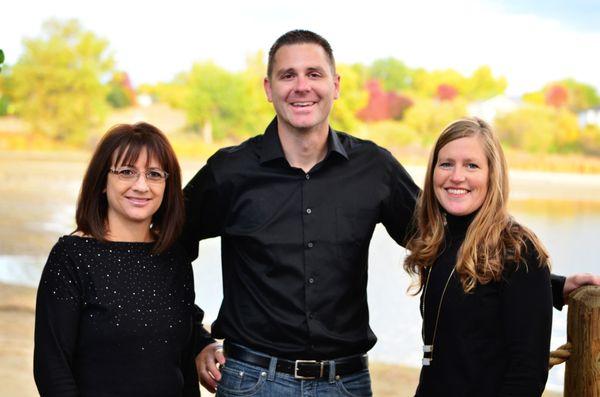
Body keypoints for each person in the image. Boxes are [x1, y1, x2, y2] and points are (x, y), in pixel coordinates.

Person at [184, 30, 599, 396]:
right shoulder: (230, 172)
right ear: (268, 88)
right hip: (254, 380)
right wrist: (196, 339)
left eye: (314, 74)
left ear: (335, 85)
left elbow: (441, 240)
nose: (301, 87)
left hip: (344, 383)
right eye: (287, 75)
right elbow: (164, 242)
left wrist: (547, 284)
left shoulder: (373, 168)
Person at [34, 123, 202, 397]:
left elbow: (182, 364)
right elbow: (52, 368)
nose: (141, 186)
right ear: (102, 182)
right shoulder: (72, 257)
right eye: (126, 172)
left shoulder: (174, 258)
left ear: (167, 185)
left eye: (154, 174)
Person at [404, 118, 552, 396]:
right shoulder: (439, 243)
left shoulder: (518, 250)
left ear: (492, 175)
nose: (456, 176)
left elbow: (527, 373)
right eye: (446, 164)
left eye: (471, 165)